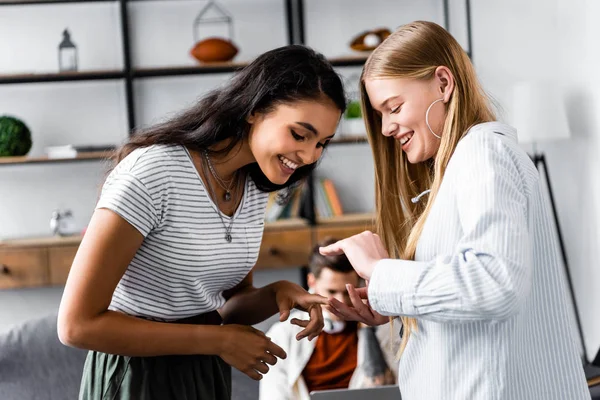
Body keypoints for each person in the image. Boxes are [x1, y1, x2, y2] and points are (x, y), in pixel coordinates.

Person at [57, 45, 346, 399]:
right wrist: (217, 340)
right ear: (255, 109)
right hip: (137, 377)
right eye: (300, 135)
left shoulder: (253, 184)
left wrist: (278, 293)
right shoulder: (153, 172)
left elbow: (228, 307)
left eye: (322, 143)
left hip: (203, 373)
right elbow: (76, 325)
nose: (308, 156)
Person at [319, 21, 590, 400]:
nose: (385, 128)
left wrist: (382, 273)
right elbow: (476, 301)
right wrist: (389, 302)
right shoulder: (459, 169)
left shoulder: (483, 153)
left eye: (393, 107)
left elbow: (495, 282)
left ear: (443, 84)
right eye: (380, 115)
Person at [259, 238, 398, 400]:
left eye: (347, 292)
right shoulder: (283, 335)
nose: (340, 302)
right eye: (331, 292)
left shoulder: (382, 329)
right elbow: (273, 395)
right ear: (312, 282)